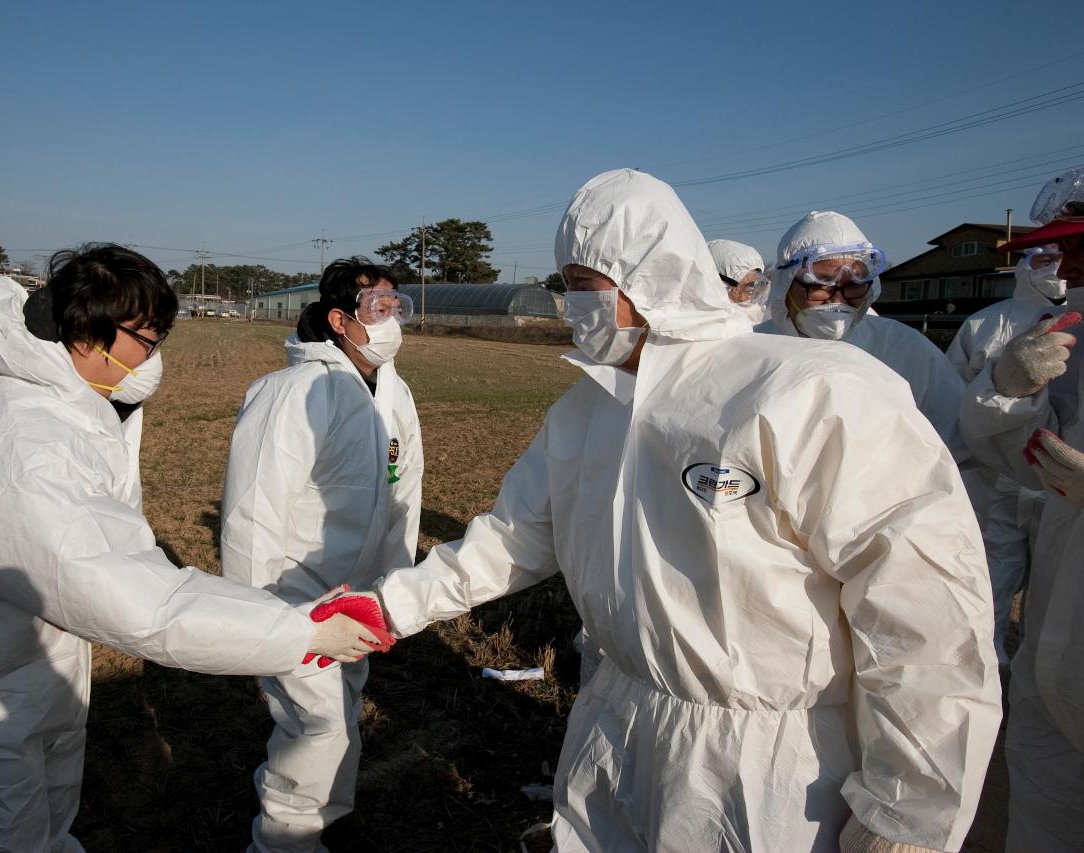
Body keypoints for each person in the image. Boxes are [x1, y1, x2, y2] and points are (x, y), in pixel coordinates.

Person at [354, 169, 1001, 850]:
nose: (571, 305)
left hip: (769, 767)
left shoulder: (809, 392)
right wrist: (391, 605)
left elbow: (924, 618)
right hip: (615, 717)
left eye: (584, 285)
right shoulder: (587, 410)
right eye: (565, 283)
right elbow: (514, 536)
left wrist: (910, 816)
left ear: (650, 277)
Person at [0, 245, 377, 853]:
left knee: (37, 828)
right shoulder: (25, 442)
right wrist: (296, 633)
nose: (152, 356)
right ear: (85, 330)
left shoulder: (57, 405)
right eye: (146, 338)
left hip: (19, 673)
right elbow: (131, 594)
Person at [221, 257, 422, 852]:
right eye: (378, 308)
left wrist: (396, 588)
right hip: (296, 595)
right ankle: (284, 838)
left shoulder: (393, 390)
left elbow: (404, 488)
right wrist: (263, 619)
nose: (392, 320)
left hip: (358, 596)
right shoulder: (292, 392)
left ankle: (322, 820)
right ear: (340, 319)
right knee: (318, 726)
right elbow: (252, 513)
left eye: (397, 306)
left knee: (341, 709)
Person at [958, 165, 1084, 851]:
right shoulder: (1063, 330)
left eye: (1078, 245)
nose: (1064, 263)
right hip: (1056, 645)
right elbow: (996, 446)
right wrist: (1003, 390)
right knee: (1045, 809)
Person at [755, 211, 971, 467]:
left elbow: (957, 447)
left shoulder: (904, 349)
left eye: (854, 285)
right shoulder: (755, 347)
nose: (838, 300)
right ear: (786, 283)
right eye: (822, 284)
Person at [947, 245, 1065, 669]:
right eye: (1043, 258)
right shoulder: (985, 323)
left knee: (1058, 588)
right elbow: (951, 393)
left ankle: (1041, 665)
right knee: (989, 574)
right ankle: (983, 660)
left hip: (1063, 481)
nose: (1056, 267)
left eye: (1065, 254)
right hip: (992, 474)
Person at [707, 238, 770, 325]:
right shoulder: (705, 327)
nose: (752, 299)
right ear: (720, 286)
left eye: (758, 289)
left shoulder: (766, 322)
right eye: (748, 290)